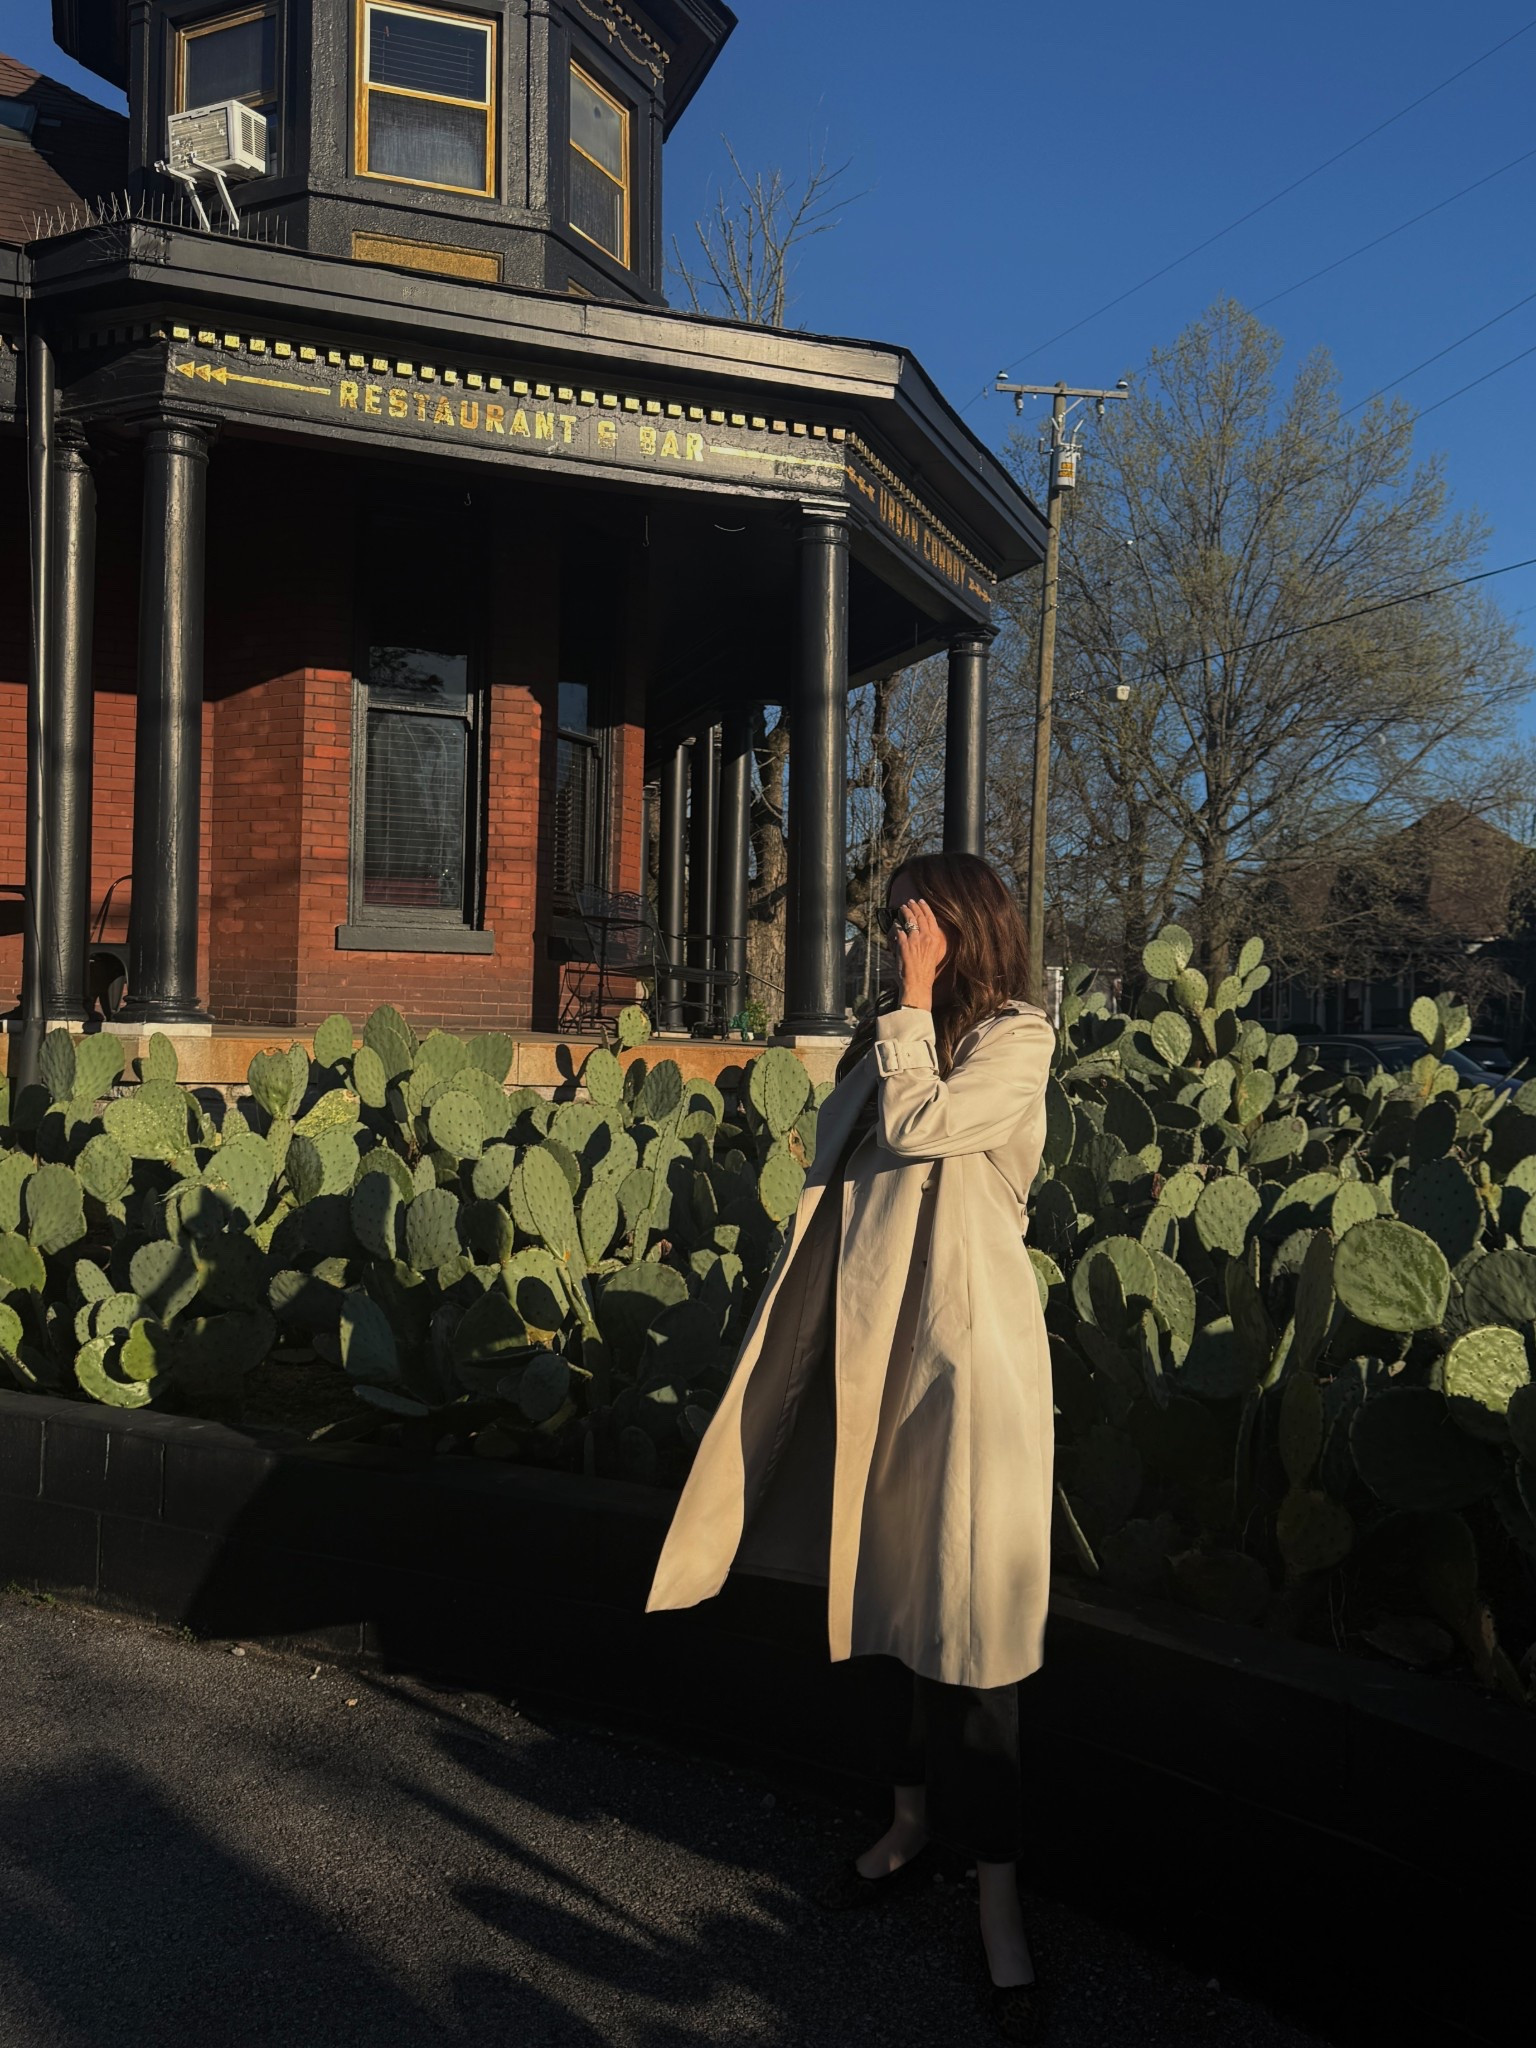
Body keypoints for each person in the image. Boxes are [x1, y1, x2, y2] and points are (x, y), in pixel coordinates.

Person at [646, 851, 1056, 2042]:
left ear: (962, 930)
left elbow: (926, 1125)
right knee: (878, 1614)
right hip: (869, 1363)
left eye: (912, 928)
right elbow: (830, 1153)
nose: (895, 945)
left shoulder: (1018, 1040)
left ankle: (999, 1902)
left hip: (967, 1369)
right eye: (891, 930)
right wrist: (895, 1026)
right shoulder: (901, 1035)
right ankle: (909, 1825)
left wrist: (916, 1008)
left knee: (974, 1643)